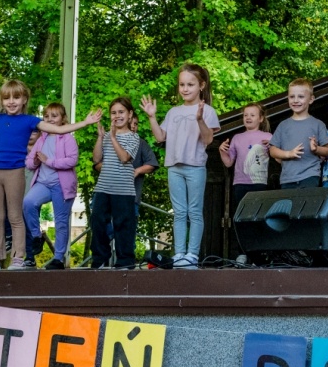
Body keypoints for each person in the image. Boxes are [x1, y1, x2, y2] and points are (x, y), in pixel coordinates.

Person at [0, 81, 100, 271]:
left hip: (15, 172)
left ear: (24, 100)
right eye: (7, 98)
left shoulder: (30, 120)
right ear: (2, 101)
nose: (11, 101)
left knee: (15, 216)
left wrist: (85, 122)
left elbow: (59, 129)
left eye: (16, 97)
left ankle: (18, 258)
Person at [141, 63, 220, 271]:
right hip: (174, 167)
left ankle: (192, 254)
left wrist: (200, 119)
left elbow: (208, 139)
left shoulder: (208, 111)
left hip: (195, 167)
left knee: (194, 211)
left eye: (190, 84)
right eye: (182, 84)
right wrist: (151, 117)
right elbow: (160, 137)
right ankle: (179, 254)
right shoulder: (173, 112)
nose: (185, 89)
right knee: (179, 212)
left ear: (201, 85)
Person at [23, 103, 78, 270]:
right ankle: (36, 236)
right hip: (43, 183)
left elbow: (72, 160)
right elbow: (29, 162)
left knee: (61, 222)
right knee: (28, 202)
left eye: (54, 116)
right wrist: (35, 161)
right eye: (46, 116)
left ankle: (58, 258)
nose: (50, 119)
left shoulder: (67, 138)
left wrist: (49, 161)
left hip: (62, 185)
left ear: (63, 119)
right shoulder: (42, 139)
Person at [90, 98, 141, 271]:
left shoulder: (134, 137)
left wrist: (112, 137)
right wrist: (101, 137)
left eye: (121, 112)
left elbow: (124, 157)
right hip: (103, 188)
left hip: (124, 190)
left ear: (129, 114)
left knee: (123, 225)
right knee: (98, 222)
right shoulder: (106, 137)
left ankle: (125, 261)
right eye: (113, 113)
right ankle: (99, 260)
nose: (117, 116)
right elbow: (96, 159)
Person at [271, 78, 328, 189]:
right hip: (287, 178)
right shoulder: (283, 125)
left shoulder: (318, 124)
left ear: (311, 99)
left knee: (306, 200)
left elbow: (327, 150)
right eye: (292, 97)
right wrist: (288, 154)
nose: (295, 100)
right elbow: (273, 150)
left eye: (301, 97)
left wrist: (316, 149)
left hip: (310, 175)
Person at [219, 103, 272, 207]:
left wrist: (272, 146)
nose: (248, 117)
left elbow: (277, 155)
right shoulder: (237, 137)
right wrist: (222, 151)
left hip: (259, 181)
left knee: (258, 211)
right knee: (241, 212)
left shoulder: (268, 136)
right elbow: (228, 163)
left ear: (261, 118)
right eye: (245, 115)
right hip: (240, 182)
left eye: (252, 115)